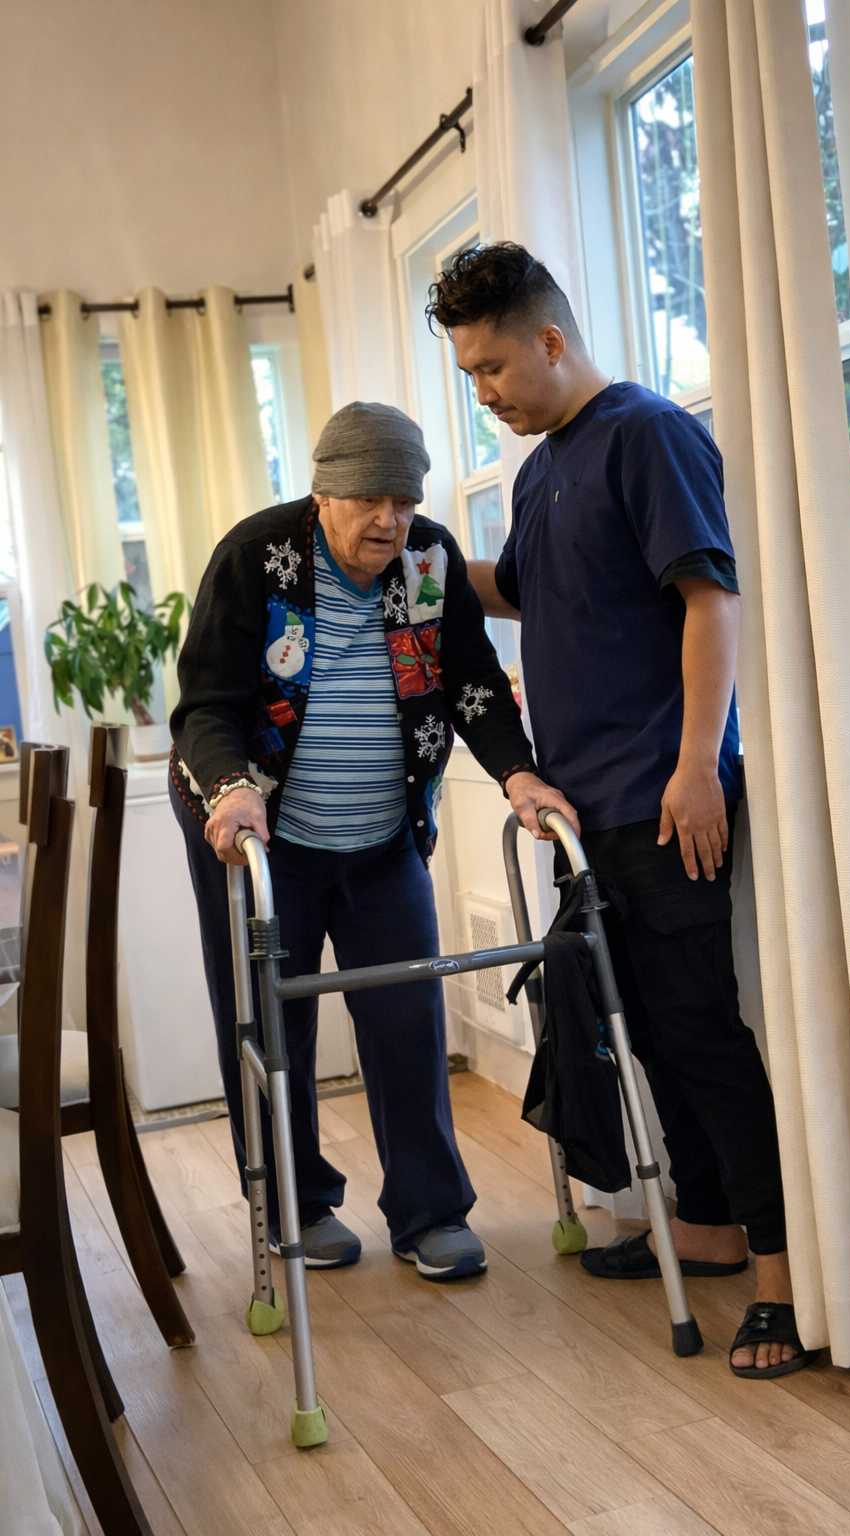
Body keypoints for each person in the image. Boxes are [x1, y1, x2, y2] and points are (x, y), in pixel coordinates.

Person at [425, 244, 813, 1376]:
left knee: (697, 1030)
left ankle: (781, 1288)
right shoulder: (543, 469)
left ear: (550, 340)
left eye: (494, 366)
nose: (484, 391)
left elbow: (710, 593)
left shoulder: (644, 433)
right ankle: (709, 1232)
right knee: (641, 1028)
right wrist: (423, 546)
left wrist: (697, 765)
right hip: (580, 810)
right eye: (468, 375)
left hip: (659, 798)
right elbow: (524, 591)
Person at [170, 400, 575, 1279]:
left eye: (402, 498)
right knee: (274, 1021)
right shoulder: (258, 558)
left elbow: (473, 687)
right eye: (367, 500)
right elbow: (205, 703)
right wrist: (233, 791)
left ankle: (430, 1213)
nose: (388, 519)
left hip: (383, 833)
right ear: (323, 495)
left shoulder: (428, 559)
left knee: (406, 1016)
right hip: (261, 833)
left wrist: (519, 774)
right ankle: (295, 1203)